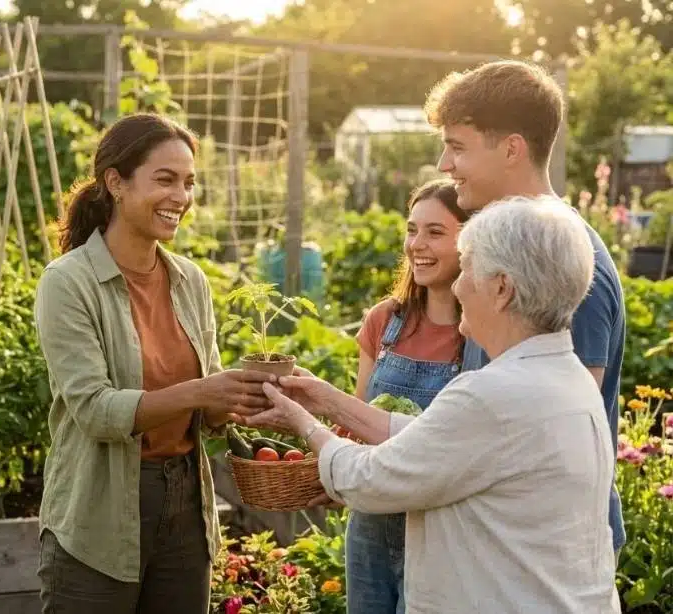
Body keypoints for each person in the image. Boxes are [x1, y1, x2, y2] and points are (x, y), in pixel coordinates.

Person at [247, 196, 621, 613]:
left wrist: (305, 425)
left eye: (469, 269)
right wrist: (328, 401)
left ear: (501, 289)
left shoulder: (489, 394)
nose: (460, 285)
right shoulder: (568, 378)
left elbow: (367, 479)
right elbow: (439, 441)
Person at [33, 113, 275, 614]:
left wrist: (252, 398)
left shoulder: (190, 281)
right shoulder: (69, 282)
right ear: (115, 183)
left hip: (185, 503)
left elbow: (207, 415)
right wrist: (205, 391)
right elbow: (95, 411)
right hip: (99, 506)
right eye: (164, 180)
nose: (180, 197)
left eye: (188, 183)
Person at [424, 59, 627, 554]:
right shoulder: (506, 248)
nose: (443, 166)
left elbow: (552, 437)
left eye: (457, 147)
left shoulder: (569, 267)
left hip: (542, 556)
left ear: (512, 148)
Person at [345, 179, 469, 614]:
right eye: (412, 230)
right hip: (372, 526)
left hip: (442, 534)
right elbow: (358, 421)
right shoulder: (385, 322)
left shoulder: (482, 337)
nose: (417, 244)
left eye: (435, 233)